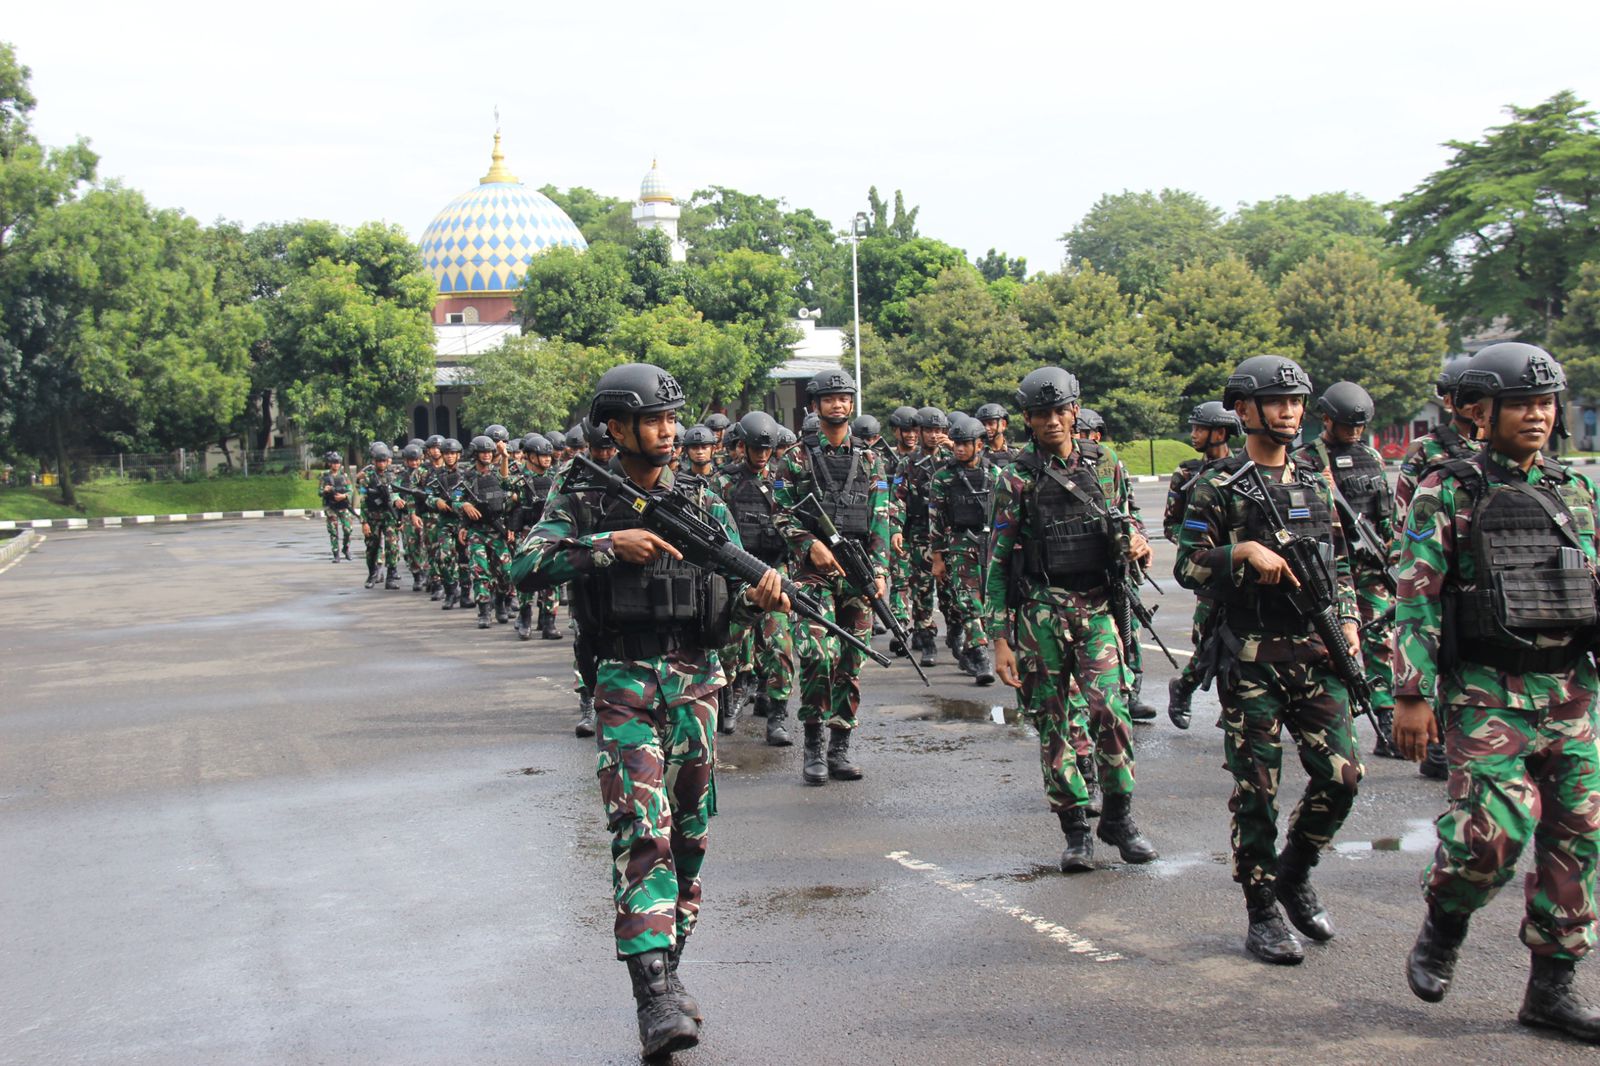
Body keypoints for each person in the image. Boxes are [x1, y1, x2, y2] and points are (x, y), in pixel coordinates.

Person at [510, 363, 786, 1057]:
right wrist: (607, 547)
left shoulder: (702, 499)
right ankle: (654, 996)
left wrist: (760, 601)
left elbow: (731, 594)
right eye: (653, 420)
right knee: (642, 830)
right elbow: (525, 566)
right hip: (624, 685)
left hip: (696, 687)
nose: (668, 431)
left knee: (689, 836)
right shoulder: (581, 494)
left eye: (672, 419)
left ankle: (669, 964)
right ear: (616, 427)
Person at [1393, 343, 1600, 1043]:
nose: (1537, 415)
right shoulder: (1448, 490)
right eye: (1522, 404)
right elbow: (1417, 596)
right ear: (1484, 413)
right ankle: (1446, 918)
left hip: (1569, 692)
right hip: (1487, 692)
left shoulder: (1577, 490)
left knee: (1577, 841)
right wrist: (1412, 694)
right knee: (1493, 834)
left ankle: (1552, 989)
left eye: (1546, 403)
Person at [1174, 354, 1362, 966]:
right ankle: (1261, 909)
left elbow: (1340, 563)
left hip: (1316, 651)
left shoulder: (1314, 478)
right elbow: (1187, 566)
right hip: (1252, 658)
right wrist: (1242, 552)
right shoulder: (1218, 485)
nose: (1290, 411)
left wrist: (1350, 622)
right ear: (1244, 409)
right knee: (1257, 791)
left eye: (1297, 401)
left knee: (1342, 778)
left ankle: (1294, 870)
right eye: (1278, 401)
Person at [988, 367, 1158, 874]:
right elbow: (997, 561)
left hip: (1099, 606)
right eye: (1042, 414)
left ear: (1075, 411)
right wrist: (999, 638)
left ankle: (1119, 817)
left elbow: (1128, 516)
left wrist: (1138, 542)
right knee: (1054, 722)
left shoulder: (1105, 463)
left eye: (1060, 411)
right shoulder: (1016, 477)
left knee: (1111, 710)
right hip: (1041, 612)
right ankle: (1076, 829)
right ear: (1028, 419)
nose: (1053, 421)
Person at [773, 369, 894, 785]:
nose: (838, 404)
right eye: (829, 398)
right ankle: (813, 745)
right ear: (815, 406)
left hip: (858, 571)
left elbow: (880, 517)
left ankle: (840, 746)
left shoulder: (871, 458)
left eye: (844, 397)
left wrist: (880, 571)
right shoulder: (796, 458)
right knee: (816, 655)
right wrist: (810, 544)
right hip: (813, 574)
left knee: (850, 659)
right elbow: (781, 514)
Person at [1293, 382, 1400, 758]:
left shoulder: (1371, 456)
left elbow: (1384, 509)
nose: (1354, 432)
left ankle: (1384, 715)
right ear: (1326, 419)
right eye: (1347, 425)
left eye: (1359, 426)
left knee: (1380, 639)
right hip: (1329, 565)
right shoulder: (1306, 459)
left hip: (1369, 563)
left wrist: (1391, 549)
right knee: (1329, 640)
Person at [1393, 354, 1484, 782]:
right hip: (1436, 561)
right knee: (1441, 647)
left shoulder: (1499, 447)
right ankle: (1437, 746)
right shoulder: (1426, 451)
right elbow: (1403, 513)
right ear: (1448, 401)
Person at [712, 411, 797, 746]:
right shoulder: (723, 482)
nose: (762, 455)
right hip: (735, 575)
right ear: (742, 447)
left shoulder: (783, 481)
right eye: (756, 448)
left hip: (774, 571)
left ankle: (777, 716)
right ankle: (729, 699)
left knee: (780, 646)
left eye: (767, 449)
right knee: (729, 645)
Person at [1163, 401, 1239, 727]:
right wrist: (1198, 543)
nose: (1193, 434)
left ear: (1220, 432)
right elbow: (1171, 524)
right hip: (1208, 572)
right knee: (1208, 643)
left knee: (1241, 642)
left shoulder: (1243, 470)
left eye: (1199, 428)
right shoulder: (1186, 473)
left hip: (1243, 572)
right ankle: (1183, 687)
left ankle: (1234, 707)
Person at [930, 414, 997, 684]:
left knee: (988, 602)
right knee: (968, 601)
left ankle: (970, 647)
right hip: (958, 544)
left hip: (990, 545)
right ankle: (981, 656)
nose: (958, 449)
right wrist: (938, 558)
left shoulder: (995, 474)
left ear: (979, 445)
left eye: (965, 444)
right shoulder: (943, 477)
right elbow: (936, 519)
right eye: (956, 443)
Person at [454, 435, 514, 629]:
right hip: (477, 531)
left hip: (498, 530)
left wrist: (505, 457)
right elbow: (454, 497)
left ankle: (500, 601)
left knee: (506, 572)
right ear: (475, 454)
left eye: (489, 452)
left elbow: (506, 482)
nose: (487, 455)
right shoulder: (467, 475)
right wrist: (464, 505)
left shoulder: (497, 472)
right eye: (483, 452)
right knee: (480, 572)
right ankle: (484, 610)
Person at [509, 434, 561, 640]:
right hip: (527, 533)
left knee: (552, 576)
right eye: (542, 455)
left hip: (551, 532)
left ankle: (549, 622)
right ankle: (525, 618)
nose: (547, 459)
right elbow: (504, 494)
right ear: (531, 457)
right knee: (526, 575)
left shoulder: (556, 477)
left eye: (549, 455)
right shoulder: (519, 479)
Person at [356, 443, 404, 589]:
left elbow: (398, 494)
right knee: (372, 547)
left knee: (392, 545)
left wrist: (399, 518)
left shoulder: (393, 476)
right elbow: (363, 501)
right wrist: (364, 522)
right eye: (379, 461)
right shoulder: (367, 477)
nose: (382, 464)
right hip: (372, 516)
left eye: (384, 461)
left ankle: (391, 576)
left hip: (389, 515)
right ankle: (372, 574)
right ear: (374, 461)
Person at [318, 451, 354, 563]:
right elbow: (319, 492)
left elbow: (350, 490)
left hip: (343, 505)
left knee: (348, 529)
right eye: (334, 462)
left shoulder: (344, 476)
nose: (336, 465)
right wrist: (325, 490)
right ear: (330, 463)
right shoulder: (324, 476)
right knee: (333, 531)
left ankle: (346, 548)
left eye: (338, 462)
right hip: (331, 507)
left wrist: (344, 496)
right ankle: (336, 553)